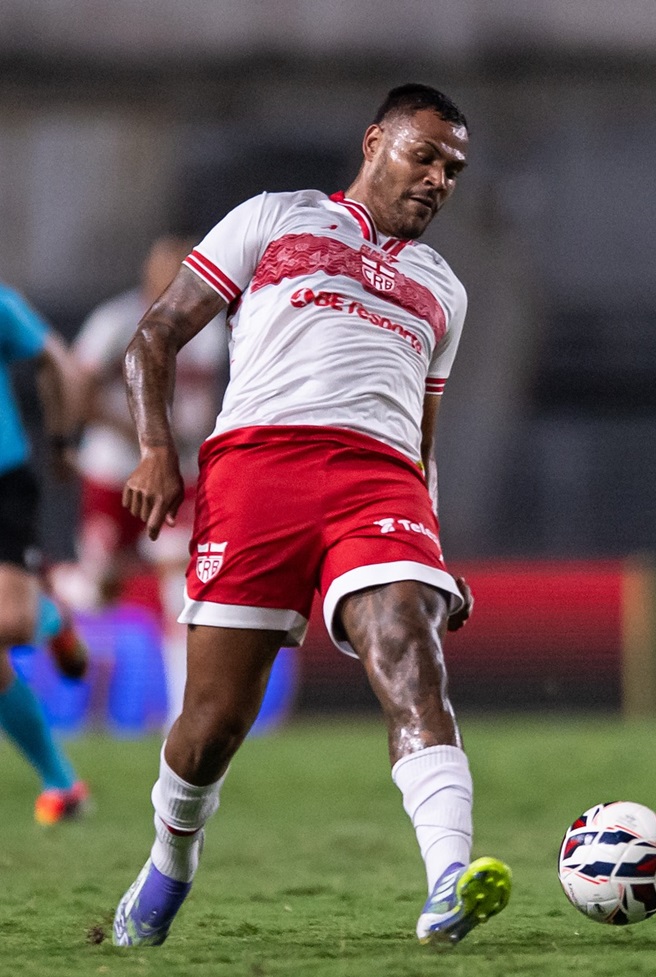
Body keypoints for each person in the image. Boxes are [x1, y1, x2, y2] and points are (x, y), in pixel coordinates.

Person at [111, 83, 511, 948]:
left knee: (410, 648)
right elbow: (155, 334)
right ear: (375, 143)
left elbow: (420, 438)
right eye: (426, 155)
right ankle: (169, 862)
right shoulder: (273, 218)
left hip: (377, 482)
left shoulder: (445, 287)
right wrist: (154, 449)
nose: (441, 179)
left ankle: (450, 879)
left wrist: (432, 546)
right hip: (258, 472)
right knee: (211, 723)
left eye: (455, 168)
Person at [60, 234, 225, 729]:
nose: (173, 274)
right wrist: (142, 439)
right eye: (166, 265)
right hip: (115, 470)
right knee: (98, 584)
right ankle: (54, 607)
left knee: (182, 587)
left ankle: (182, 714)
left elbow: (208, 399)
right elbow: (79, 391)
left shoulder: (210, 329)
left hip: (181, 470)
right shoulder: (114, 320)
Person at [0, 281, 90, 824]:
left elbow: (62, 365)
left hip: (2, 482)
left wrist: (60, 442)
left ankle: (45, 617)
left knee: (8, 624)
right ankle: (62, 782)